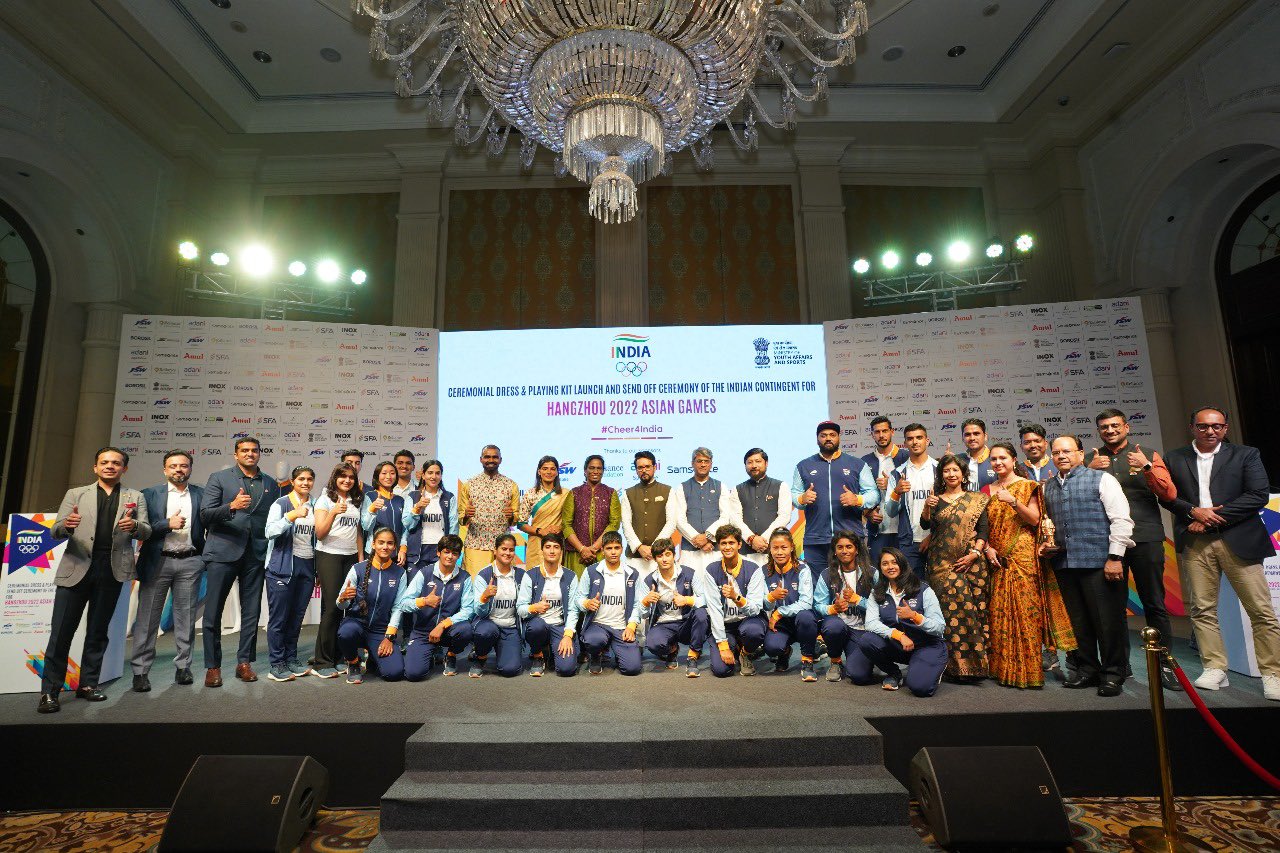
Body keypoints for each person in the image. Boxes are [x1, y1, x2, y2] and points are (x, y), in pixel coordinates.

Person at [1161, 407, 1280, 700]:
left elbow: (1257, 495)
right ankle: (1214, 668)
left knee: (1261, 611)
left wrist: (1211, 519)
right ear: (1192, 427)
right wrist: (1193, 512)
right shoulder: (1174, 458)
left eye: (1216, 426)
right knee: (1202, 610)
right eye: (1203, 426)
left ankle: (1273, 674)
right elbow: (1166, 497)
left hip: (1239, 539)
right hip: (1196, 543)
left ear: (1225, 428)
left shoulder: (1246, 454)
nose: (1210, 431)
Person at [39, 447, 150, 713]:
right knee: (61, 633)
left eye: (116, 463)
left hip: (111, 569)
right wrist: (67, 525)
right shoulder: (76, 494)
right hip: (77, 567)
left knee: (98, 632)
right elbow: (55, 531)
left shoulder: (135, 496)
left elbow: (146, 530)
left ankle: (88, 684)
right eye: (104, 462)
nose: (110, 466)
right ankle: (50, 691)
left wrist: (135, 527)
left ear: (124, 468)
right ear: (95, 467)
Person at [1088, 408, 1181, 690]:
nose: (1110, 430)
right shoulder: (1092, 459)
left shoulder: (1147, 454)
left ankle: (1164, 664)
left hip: (1146, 538)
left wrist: (1147, 467)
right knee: (1112, 607)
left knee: (1154, 603)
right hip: (1107, 542)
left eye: (1115, 425)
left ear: (1126, 427)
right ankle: (1119, 665)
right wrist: (1089, 471)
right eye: (1104, 427)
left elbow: (1169, 494)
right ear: (1099, 431)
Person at [1041, 435, 1135, 697]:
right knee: (1078, 623)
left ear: (1081, 454)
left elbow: (1121, 520)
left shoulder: (1102, 479)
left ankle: (1113, 674)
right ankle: (1087, 670)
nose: (1061, 456)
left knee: (1108, 623)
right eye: (1056, 452)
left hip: (1100, 563)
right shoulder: (1048, 487)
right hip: (1064, 565)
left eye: (1067, 451)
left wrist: (1115, 558)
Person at [982, 442, 1075, 689]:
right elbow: (983, 528)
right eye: (994, 459)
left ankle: (1030, 672)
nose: (998, 462)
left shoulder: (1027, 486)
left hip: (1023, 557)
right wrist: (987, 547)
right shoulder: (986, 490)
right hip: (997, 558)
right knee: (1000, 613)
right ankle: (1003, 670)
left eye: (1003, 458)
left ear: (1014, 460)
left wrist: (1013, 501)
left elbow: (1035, 519)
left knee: (1026, 613)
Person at [199, 436, 281, 687]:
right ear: (236, 455)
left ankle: (244, 662)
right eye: (244, 450)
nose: (250, 454)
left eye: (254, 450)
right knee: (213, 612)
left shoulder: (270, 483)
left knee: (252, 612)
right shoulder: (219, 478)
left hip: (255, 554)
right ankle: (213, 666)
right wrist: (231, 506)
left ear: (259, 453)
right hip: (222, 552)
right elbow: (205, 515)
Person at [131, 450, 204, 692]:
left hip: (190, 561)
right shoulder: (149, 495)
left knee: (186, 618)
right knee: (147, 619)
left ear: (190, 468)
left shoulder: (201, 494)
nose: (178, 469)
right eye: (173, 466)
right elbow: (139, 529)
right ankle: (141, 671)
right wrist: (166, 524)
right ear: (165, 470)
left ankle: (183, 667)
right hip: (158, 561)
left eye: (183, 465)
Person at [919, 453, 991, 682]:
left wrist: (975, 554)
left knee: (974, 611)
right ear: (941, 475)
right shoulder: (936, 500)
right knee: (948, 612)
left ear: (963, 474)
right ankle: (950, 666)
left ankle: (976, 666)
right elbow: (925, 525)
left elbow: (983, 529)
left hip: (972, 562)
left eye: (955, 470)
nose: (951, 474)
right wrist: (926, 507)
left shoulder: (976, 499)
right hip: (941, 563)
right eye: (946, 471)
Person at [850, 547, 948, 696]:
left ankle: (931, 667)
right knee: (866, 642)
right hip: (898, 644)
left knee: (920, 688)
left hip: (926, 645)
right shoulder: (877, 592)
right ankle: (894, 673)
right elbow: (871, 623)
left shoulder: (923, 589)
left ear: (902, 564)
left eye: (894, 562)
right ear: (880, 568)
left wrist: (915, 616)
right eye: (885, 564)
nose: (890, 567)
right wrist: (898, 635)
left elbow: (940, 627)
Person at [793, 421, 878, 576]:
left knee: (855, 583)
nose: (828, 438)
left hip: (850, 539)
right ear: (817, 439)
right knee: (818, 584)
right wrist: (801, 499)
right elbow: (794, 495)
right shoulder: (803, 466)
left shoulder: (857, 464)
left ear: (839, 437)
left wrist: (857, 499)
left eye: (832, 435)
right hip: (816, 539)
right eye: (823, 435)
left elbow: (873, 494)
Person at [262, 466, 318, 683]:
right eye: (301, 479)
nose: (305, 482)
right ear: (293, 482)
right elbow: (269, 532)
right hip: (282, 566)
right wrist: (291, 516)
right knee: (279, 619)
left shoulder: (316, 504)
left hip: (307, 564)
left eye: (309, 479)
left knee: (296, 618)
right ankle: (277, 664)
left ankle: (291, 658)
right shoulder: (281, 503)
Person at [335, 527, 409, 684]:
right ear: (373, 544)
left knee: (394, 673)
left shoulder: (400, 573)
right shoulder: (358, 569)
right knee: (346, 633)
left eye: (389, 543)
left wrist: (389, 637)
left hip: (380, 630)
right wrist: (342, 598)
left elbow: (398, 607)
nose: (385, 547)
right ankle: (353, 662)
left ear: (395, 547)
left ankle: (373, 659)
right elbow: (341, 606)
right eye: (381, 542)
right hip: (357, 624)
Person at [312, 462, 364, 678]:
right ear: (335, 478)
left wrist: (360, 560)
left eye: (351, 477)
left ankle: (340, 657)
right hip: (329, 556)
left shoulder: (356, 500)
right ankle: (322, 662)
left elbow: (357, 532)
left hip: (350, 557)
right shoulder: (325, 499)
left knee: (347, 607)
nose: (347, 480)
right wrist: (333, 512)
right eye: (343, 476)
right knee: (332, 608)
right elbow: (320, 533)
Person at [399, 534, 474, 680]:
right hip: (423, 632)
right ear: (438, 552)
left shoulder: (465, 577)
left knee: (466, 630)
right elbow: (404, 604)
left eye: (454, 553)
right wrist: (424, 601)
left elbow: (468, 610)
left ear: (459, 556)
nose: (450, 556)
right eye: (446, 552)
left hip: (448, 630)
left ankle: (451, 654)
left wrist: (442, 625)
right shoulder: (424, 573)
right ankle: (431, 651)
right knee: (413, 674)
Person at [806, 530, 874, 683]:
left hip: (862, 630)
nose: (844, 551)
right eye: (840, 547)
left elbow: (881, 607)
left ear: (857, 550)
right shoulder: (826, 574)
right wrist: (833, 608)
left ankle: (863, 658)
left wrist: (858, 600)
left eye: (849, 547)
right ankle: (835, 661)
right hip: (837, 625)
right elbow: (818, 605)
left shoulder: (871, 573)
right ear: (835, 551)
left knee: (859, 676)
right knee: (833, 626)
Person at [699, 524, 767, 678]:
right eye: (723, 543)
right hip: (726, 625)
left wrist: (737, 598)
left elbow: (756, 609)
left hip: (748, 620)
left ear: (739, 545)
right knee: (721, 670)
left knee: (753, 632)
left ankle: (745, 653)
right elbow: (714, 609)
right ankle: (733, 645)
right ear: (718, 546)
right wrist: (723, 644)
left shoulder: (753, 569)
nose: (727, 547)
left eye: (731, 543)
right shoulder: (711, 570)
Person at [574, 531, 644, 676]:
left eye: (617, 548)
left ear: (622, 549)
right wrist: (586, 603)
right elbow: (578, 598)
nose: (613, 552)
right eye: (609, 548)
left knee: (632, 668)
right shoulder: (591, 571)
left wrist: (631, 626)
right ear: (602, 550)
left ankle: (619, 652)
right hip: (598, 625)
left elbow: (638, 604)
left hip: (621, 627)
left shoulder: (632, 573)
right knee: (594, 640)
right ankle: (596, 654)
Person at [640, 537, 708, 677]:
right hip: (664, 624)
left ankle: (693, 656)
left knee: (701, 614)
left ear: (674, 555)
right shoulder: (649, 580)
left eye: (668, 554)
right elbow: (641, 612)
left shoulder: (689, 573)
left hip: (686, 622)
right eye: (660, 556)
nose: (664, 559)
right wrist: (646, 602)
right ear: (655, 559)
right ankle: (672, 649)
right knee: (652, 644)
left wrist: (687, 600)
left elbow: (706, 599)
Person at [518, 532, 581, 677]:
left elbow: (573, 610)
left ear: (561, 551)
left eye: (556, 547)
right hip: (538, 626)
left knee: (567, 670)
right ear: (542, 551)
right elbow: (520, 609)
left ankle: (551, 652)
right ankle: (537, 654)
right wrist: (533, 608)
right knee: (536, 627)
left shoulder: (570, 576)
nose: (552, 551)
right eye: (548, 547)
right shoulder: (530, 575)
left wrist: (568, 635)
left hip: (559, 626)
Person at [882, 423, 936, 582]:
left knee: (939, 588)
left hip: (936, 539)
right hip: (909, 542)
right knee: (912, 588)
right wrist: (896, 492)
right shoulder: (898, 473)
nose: (915, 442)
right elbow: (890, 512)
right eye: (910, 439)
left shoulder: (939, 469)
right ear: (905, 443)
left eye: (919, 437)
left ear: (927, 440)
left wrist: (932, 535)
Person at [760, 528, 816, 680]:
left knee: (806, 617)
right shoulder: (764, 571)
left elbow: (806, 602)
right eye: (775, 548)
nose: (779, 552)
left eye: (784, 547)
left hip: (800, 620)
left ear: (791, 547)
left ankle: (807, 660)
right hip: (780, 624)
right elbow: (764, 606)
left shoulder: (803, 569)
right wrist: (771, 597)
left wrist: (780, 612)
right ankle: (784, 652)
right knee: (772, 648)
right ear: (770, 549)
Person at [470, 533, 526, 677]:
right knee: (485, 632)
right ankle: (480, 656)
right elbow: (479, 612)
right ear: (495, 550)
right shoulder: (483, 575)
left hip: (510, 627)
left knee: (510, 670)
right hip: (489, 624)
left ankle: (504, 649)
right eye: (504, 549)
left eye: (511, 550)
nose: (508, 553)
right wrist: (484, 597)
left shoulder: (521, 575)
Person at [459, 445, 519, 575]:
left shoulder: (511, 485)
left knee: (503, 584)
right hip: (476, 545)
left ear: (500, 460)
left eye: (495, 457)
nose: (491, 460)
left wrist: (511, 516)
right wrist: (467, 515)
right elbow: (461, 519)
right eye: (487, 457)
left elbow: (515, 520)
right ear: (481, 459)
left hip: (503, 547)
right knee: (476, 584)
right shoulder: (469, 485)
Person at [671, 448, 733, 572]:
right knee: (689, 583)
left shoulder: (721, 486)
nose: (703, 464)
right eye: (699, 461)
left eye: (706, 461)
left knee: (716, 582)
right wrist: (697, 540)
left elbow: (725, 517)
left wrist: (708, 537)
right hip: (690, 551)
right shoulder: (682, 487)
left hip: (714, 549)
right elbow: (679, 519)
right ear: (692, 463)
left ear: (711, 464)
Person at [561, 454, 622, 576]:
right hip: (576, 553)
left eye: (599, 468)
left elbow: (614, 523)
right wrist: (582, 549)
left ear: (603, 471)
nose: (595, 471)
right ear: (585, 471)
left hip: (601, 552)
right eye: (592, 468)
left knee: (602, 585)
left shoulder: (611, 493)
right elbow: (566, 524)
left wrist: (593, 548)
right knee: (576, 586)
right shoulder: (574, 493)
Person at [619, 450, 677, 579]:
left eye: (647, 467)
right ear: (636, 470)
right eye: (640, 467)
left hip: (662, 555)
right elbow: (626, 524)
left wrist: (655, 548)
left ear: (654, 467)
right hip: (634, 557)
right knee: (633, 590)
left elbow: (671, 522)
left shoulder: (668, 490)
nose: (644, 470)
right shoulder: (628, 493)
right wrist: (639, 547)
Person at [731, 448, 792, 568]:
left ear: (766, 463)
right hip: (745, 551)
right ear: (745, 466)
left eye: (758, 461)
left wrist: (764, 539)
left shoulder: (781, 486)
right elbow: (735, 519)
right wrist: (751, 539)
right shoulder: (737, 489)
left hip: (773, 549)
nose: (754, 465)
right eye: (749, 462)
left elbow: (784, 516)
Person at [862, 417, 910, 566]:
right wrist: (868, 513)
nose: (881, 435)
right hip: (878, 531)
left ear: (892, 432)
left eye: (885, 431)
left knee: (905, 574)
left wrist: (891, 485)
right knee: (878, 574)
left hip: (904, 531)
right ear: (872, 434)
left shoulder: (907, 457)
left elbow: (917, 489)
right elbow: (860, 496)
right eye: (877, 432)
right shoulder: (865, 461)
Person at [402, 459, 457, 580]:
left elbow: (453, 527)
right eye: (430, 473)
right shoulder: (413, 496)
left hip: (441, 550)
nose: (434, 476)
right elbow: (407, 525)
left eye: (437, 473)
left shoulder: (449, 497)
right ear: (423, 475)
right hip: (417, 551)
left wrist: (450, 550)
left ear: (441, 476)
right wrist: (417, 508)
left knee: (438, 586)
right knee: (415, 587)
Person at [516, 456, 568, 569]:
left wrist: (560, 528)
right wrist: (540, 531)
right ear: (539, 472)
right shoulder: (530, 494)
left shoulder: (566, 494)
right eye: (545, 469)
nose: (549, 472)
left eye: (552, 469)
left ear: (557, 472)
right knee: (535, 576)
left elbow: (572, 520)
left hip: (557, 542)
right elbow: (521, 523)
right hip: (536, 542)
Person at [362, 461, 407, 566]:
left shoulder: (400, 500)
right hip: (374, 553)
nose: (388, 476)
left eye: (392, 473)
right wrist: (372, 509)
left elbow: (405, 528)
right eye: (384, 473)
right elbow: (366, 526)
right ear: (377, 476)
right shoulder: (370, 496)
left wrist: (403, 548)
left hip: (396, 554)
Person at [959, 418, 996, 492]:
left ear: (985, 436)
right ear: (962, 438)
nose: (972, 438)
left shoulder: (997, 459)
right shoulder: (957, 460)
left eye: (976, 434)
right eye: (967, 434)